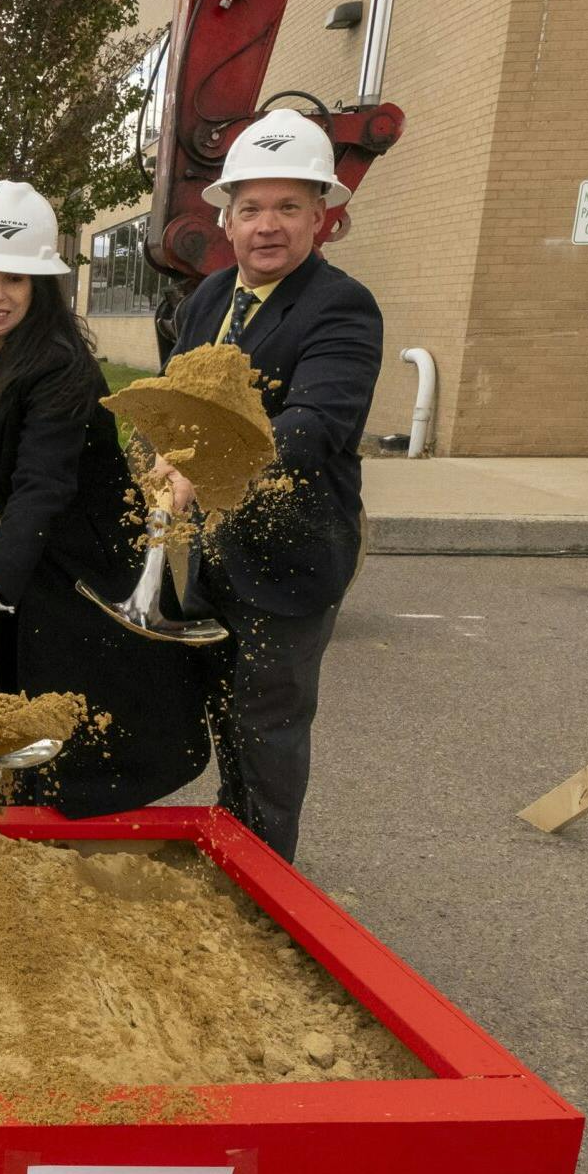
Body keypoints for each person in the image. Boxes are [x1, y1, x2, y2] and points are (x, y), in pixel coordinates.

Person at [0, 181, 209, 816]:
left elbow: (43, 484)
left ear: (40, 288)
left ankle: (81, 848)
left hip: (91, 566)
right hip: (38, 557)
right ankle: (33, 825)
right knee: (33, 716)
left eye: (16, 281)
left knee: (88, 728)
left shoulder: (60, 367)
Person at [161, 109, 383, 860]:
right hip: (213, 553)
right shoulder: (208, 299)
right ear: (225, 218)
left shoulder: (341, 308)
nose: (268, 225)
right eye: (251, 207)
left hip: (289, 563)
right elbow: (181, 398)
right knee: (222, 716)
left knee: (268, 730)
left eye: (289, 207)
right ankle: (233, 842)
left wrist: (208, 463)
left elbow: (315, 425)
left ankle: (265, 883)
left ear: (322, 217)